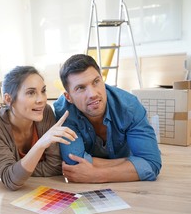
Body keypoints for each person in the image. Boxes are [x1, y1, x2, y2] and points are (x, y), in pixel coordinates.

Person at [53, 54, 161, 183]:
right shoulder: (64, 111)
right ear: (68, 97)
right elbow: (74, 162)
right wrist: (134, 162)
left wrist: (96, 175)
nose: (93, 94)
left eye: (96, 82)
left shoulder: (130, 107)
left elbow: (151, 165)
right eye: (81, 88)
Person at [0, 66, 77, 190]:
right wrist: (41, 144)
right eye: (31, 92)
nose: (42, 100)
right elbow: (11, 181)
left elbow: (55, 167)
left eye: (43, 91)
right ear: (8, 99)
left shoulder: (45, 112)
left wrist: (16, 169)